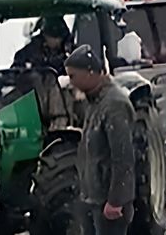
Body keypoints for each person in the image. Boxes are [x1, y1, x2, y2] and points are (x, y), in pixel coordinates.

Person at [64, 44, 136, 235]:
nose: (70, 83)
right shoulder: (94, 103)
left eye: (73, 76)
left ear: (90, 73)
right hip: (94, 201)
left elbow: (123, 157)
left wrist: (115, 201)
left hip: (109, 206)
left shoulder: (114, 105)